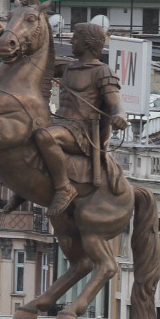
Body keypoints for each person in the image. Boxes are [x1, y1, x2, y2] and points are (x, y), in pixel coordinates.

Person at [28, 21, 128, 218]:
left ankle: (64, 188)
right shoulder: (68, 67)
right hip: (60, 123)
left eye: (76, 37)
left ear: (88, 43)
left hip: (81, 132)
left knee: (45, 137)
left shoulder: (102, 72)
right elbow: (32, 61)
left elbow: (116, 103)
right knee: (25, 132)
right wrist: (0, 36)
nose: (72, 40)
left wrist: (120, 116)